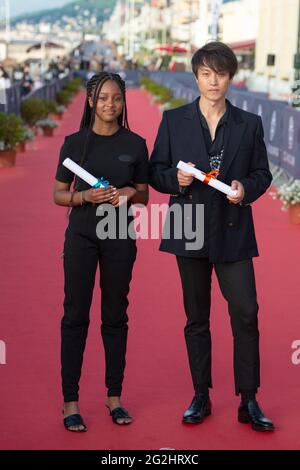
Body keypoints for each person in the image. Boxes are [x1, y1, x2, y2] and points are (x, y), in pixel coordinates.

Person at [149, 42, 274, 432]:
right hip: (189, 228)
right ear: (196, 76)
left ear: (231, 77)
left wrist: (244, 188)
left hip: (233, 230)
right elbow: (156, 171)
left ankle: (248, 399)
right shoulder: (173, 120)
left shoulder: (248, 123)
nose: (213, 80)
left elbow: (262, 174)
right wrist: (176, 179)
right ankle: (200, 394)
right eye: (206, 73)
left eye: (220, 73)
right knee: (196, 318)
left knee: (246, 314)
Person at [54, 72, 149, 431]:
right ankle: (70, 401)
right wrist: (85, 197)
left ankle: (114, 397)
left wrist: (126, 193)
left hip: (120, 237)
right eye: (104, 98)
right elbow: (59, 194)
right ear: (91, 101)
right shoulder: (74, 144)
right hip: (81, 237)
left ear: (124, 102)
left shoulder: (136, 144)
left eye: (117, 98)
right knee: (75, 315)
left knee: (115, 315)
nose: (111, 104)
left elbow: (143, 194)